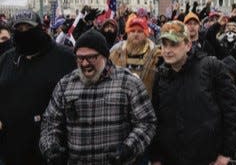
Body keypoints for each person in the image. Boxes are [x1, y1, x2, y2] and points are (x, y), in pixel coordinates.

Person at [40, 29, 157, 164]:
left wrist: (128, 149)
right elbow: (49, 123)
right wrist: (50, 148)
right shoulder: (65, 85)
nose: (84, 63)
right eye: (80, 58)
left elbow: (147, 122)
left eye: (91, 57)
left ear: (104, 56)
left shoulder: (129, 82)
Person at [150, 21, 236, 165]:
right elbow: (156, 118)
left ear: (188, 45)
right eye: (164, 45)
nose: (167, 50)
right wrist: (156, 156)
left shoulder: (211, 67)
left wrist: (226, 153)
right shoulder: (161, 75)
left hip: (207, 157)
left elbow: (233, 110)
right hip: (171, 157)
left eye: (173, 45)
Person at [0, 10, 77, 164]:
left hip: (53, 149)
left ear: (40, 29)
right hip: (12, 148)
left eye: (28, 28)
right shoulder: (7, 59)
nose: (24, 33)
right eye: (19, 29)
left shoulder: (65, 58)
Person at [110, 14, 161, 97]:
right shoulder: (116, 52)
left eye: (140, 31)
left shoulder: (156, 54)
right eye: (132, 31)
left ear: (146, 34)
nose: (135, 34)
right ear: (128, 33)